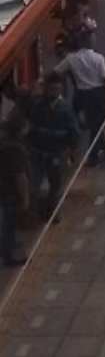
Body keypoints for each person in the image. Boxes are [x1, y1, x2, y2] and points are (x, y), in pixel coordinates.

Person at [54, 32, 105, 167]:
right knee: (95, 126)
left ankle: (99, 153)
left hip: (85, 95)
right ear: (89, 42)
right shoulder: (98, 58)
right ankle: (103, 151)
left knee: (94, 125)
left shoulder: (71, 59)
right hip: (99, 94)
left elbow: (56, 72)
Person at [28, 76, 78, 219]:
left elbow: (74, 132)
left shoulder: (66, 109)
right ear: (46, 89)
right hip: (39, 152)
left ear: (61, 89)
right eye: (51, 89)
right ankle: (36, 210)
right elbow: (32, 127)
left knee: (56, 183)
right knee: (36, 182)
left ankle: (54, 211)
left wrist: (71, 151)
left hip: (57, 153)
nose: (54, 92)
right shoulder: (38, 106)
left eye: (57, 88)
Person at [0, 110, 31, 266]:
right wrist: (24, 199)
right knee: (9, 223)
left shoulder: (3, 142)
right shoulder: (16, 149)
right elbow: (20, 177)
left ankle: (8, 247)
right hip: (9, 192)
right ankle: (8, 255)